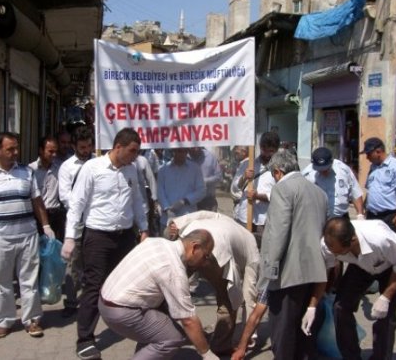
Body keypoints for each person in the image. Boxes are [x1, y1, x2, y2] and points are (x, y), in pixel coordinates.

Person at [61, 128, 149, 360]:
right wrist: (70, 237)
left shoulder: (132, 169)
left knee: (127, 285)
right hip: (98, 237)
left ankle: (129, 326)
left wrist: (144, 229)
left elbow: (137, 201)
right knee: (94, 286)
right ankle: (86, 339)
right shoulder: (92, 168)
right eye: (132, 151)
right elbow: (77, 204)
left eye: (138, 152)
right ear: (118, 146)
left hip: (125, 237)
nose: (135, 156)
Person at [0, 132, 55, 338]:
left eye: (16, 148)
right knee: (3, 282)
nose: (16, 152)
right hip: (0, 239)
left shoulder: (27, 173)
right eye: (10, 149)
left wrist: (46, 226)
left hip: (28, 237)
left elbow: (37, 201)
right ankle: (5, 321)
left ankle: (32, 319)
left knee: (29, 281)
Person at [250, 150, 328, 359]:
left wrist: (267, 274)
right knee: (304, 331)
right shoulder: (318, 192)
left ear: (278, 172)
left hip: (287, 273)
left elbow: (277, 233)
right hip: (314, 270)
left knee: (283, 332)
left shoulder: (283, 188)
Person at [98, 230, 219, 360]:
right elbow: (188, 320)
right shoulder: (174, 270)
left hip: (106, 299)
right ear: (195, 247)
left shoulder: (157, 242)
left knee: (161, 328)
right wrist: (207, 354)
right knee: (172, 338)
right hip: (121, 311)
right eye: (205, 256)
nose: (204, 262)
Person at [167, 211, 259, 355]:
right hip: (216, 250)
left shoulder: (224, 222)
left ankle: (162, 333)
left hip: (199, 242)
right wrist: (247, 339)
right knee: (227, 299)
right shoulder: (251, 248)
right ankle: (220, 344)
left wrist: (178, 222)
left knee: (169, 286)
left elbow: (204, 213)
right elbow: (249, 299)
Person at [321, 217, 396, 360]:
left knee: (386, 316)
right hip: (359, 265)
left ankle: (381, 357)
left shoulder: (382, 240)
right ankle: (350, 356)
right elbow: (327, 269)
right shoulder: (329, 245)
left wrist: (385, 297)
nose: (336, 256)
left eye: (339, 253)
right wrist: (321, 296)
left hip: (390, 266)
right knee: (340, 307)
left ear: (352, 241)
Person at [58, 126, 94, 318]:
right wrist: (82, 203)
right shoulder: (67, 167)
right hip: (77, 221)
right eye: (82, 147)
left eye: (88, 146)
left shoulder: (98, 163)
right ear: (74, 146)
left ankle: (94, 301)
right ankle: (71, 302)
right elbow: (65, 197)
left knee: (93, 263)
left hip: (96, 220)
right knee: (73, 263)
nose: (86, 150)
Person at [230, 132, 279, 247]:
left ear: (276, 150)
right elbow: (235, 188)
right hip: (245, 215)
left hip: (265, 219)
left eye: (270, 151)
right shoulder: (248, 163)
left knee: (264, 250)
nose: (266, 154)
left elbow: (281, 195)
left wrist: (258, 196)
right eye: (264, 149)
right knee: (243, 248)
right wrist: (244, 177)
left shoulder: (280, 167)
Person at [362, 137, 396, 237]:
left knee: (392, 248)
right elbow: (371, 189)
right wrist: (365, 207)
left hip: (389, 216)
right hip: (372, 216)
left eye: (369, 154)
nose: (367, 157)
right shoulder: (373, 167)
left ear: (378, 151)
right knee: (372, 246)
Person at [302, 147, 364, 219]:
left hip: (341, 218)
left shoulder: (343, 170)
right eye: (320, 169)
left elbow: (355, 192)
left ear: (331, 162)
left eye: (326, 169)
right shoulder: (307, 174)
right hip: (318, 219)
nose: (323, 172)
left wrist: (360, 215)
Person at [157, 148, 206, 232]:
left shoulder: (195, 169)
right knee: (167, 244)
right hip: (167, 218)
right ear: (174, 151)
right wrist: (167, 208)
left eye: (185, 151)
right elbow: (160, 191)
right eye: (179, 151)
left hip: (188, 218)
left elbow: (201, 191)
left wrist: (184, 201)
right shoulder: (163, 170)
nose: (182, 154)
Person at [29, 136, 66, 241]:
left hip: (56, 216)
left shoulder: (60, 169)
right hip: (37, 217)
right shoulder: (31, 170)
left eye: (55, 151)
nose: (54, 155)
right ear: (41, 150)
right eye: (50, 151)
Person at [188, 147, 222, 211]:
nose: (193, 150)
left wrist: (205, 181)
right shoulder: (185, 158)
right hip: (190, 202)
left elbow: (219, 177)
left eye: (195, 148)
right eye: (190, 149)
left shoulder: (210, 157)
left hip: (207, 201)